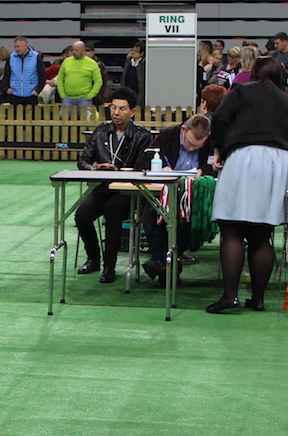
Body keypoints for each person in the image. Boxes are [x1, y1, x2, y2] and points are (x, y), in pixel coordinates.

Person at [205, 57, 288, 314]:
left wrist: (218, 149)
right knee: (262, 234)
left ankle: (230, 295)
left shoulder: (241, 90)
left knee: (233, 229)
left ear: (254, 74)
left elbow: (220, 118)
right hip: (280, 161)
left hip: (246, 157)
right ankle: (258, 299)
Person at [72, 86, 153, 284]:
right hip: (103, 187)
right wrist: (94, 169)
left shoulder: (143, 136)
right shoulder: (100, 131)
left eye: (122, 109)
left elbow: (144, 167)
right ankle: (93, 258)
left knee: (113, 210)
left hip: (129, 190)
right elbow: (83, 161)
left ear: (132, 111)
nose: (116, 113)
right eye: (113, 108)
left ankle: (110, 266)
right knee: (81, 215)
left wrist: (121, 171)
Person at [134, 113, 216, 284]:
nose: (192, 148)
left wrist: (203, 171)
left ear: (207, 137)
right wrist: (161, 168)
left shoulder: (212, 142)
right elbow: (141, 163)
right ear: (183, 129)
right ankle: (169, 264)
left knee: (188, 220)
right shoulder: (166, 135)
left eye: (197, 146)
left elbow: (215, 166)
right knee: (149, 217)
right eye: (188, 143)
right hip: (161, 193)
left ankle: (158, 262)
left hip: (193, 195)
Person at [59, 39, 103, 114]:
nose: (74, 52)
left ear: (83, 51)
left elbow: (98, 81)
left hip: (84, 99)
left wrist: (89, 96)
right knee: (63, 120)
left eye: (76, 50)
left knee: (86, 120)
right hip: (67, 98)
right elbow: (60, 78)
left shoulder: (92, 63)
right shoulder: (66, 61)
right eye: (73, 50)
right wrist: (62, 95)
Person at [7, 37, 44, 106]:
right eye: (15, 47)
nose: (16, 49)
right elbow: (7, 74)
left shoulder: (36, 57)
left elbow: (42, 75)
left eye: (18, 46)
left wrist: (38, 90)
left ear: (25, 45)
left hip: (31, 95)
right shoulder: (11, 57)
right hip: (15, 94)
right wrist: (7, 89)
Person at [120, 41, 145, 107]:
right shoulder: (128, 62)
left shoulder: (144, 64)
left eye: (136, 51)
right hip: (128, 92)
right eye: (133, 50)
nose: (133, 52)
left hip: (138, 93)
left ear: (141, 53)